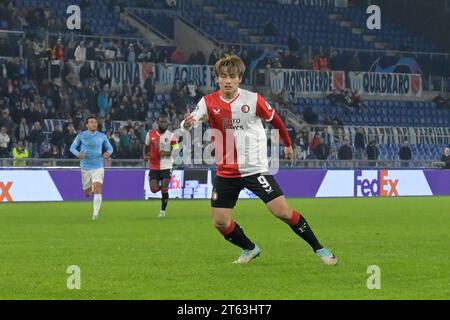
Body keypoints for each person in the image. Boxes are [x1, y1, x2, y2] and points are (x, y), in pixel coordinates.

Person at [181, 55, 337, 265]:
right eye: (223, 76)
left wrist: (288, 143)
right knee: (220, 222)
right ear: (217, 79)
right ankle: (250, 248)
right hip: (226, 172)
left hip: (254, 169)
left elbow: (277, 120)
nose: (227, 80)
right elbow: (191, 120)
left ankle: (320, 249)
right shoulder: (208, 102)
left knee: (281, 212)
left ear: (239, 78)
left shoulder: (253, 100)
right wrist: (187, 124)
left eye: (232, 76)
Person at [70, 116, 113, 221]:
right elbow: (72, 148)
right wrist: (77, 154)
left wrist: (108, 153)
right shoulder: (81, 135)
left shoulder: (102, 136)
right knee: (87, 193)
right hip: (85, 167)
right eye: (91, 122)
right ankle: (92, 187)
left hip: (98, 166)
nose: (94, 124)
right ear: (87, 125)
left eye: (95, 122)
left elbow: (110, 147)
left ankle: (95, 214)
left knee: (98, 189)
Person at [144, 114, 180, 218]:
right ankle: (164, 188)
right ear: (158, 123)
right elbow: (147, 147)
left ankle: (162, 211)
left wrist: (167, 153)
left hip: (167, 165)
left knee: (165, 187)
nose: (163, 124)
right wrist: (146, 155)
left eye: (165, 122)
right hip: (154, 166)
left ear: (167, 124)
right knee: (154, 190)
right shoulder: (150, 134)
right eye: (161, 122)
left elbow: (176, 150)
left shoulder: (171, 135)